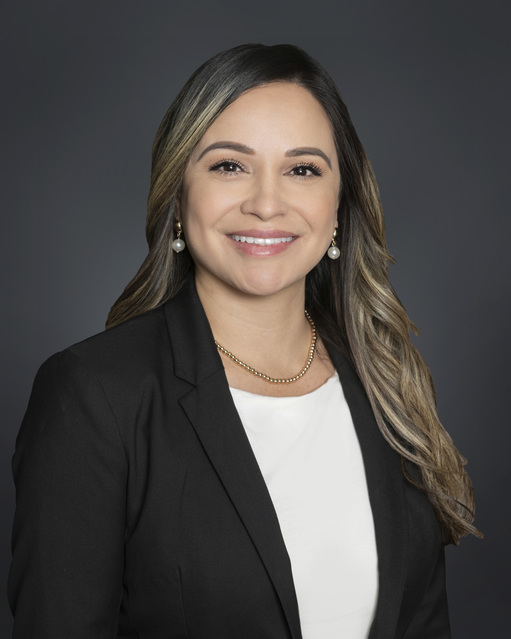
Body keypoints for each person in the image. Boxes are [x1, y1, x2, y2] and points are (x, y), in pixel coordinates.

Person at [9, 43, 480, 639]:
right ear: (178, 194)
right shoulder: (93, 398)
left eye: (302, 169)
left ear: (340, 204)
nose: (266, 204)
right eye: (229, 165)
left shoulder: (386, 385)